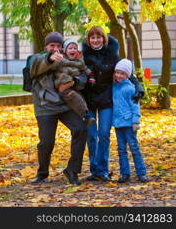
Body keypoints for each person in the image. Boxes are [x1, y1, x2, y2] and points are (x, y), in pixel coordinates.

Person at [82, 26, 144, 182]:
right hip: (88, 100)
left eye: (98, 37)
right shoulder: (83, 56)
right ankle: (94, 170)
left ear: (104, 38)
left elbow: (127, 73)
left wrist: (138, 87)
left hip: (106, 99)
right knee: (91, 135)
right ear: (89, 40)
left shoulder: (112, 55)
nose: (95, 40)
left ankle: (102, 170)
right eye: (92, 37)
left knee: (103, 133)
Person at [29, 32, 87, 185]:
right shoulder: (37, 58)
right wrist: (49, 58)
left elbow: (82, 77)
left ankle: (72, 170)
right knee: (47, 142)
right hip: (45, 107)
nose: (55, 49)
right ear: (46, 47)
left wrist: (74, 80)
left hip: (64, 106)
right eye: (52, 46)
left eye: (58, 46)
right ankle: (42, 173)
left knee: (81, 129)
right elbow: (36, 66)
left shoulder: (67, 59)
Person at [112, 58, 148, 183]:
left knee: (134, 148)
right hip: (118, 124)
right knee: (121, 149)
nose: (119, 75)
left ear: (127, 75)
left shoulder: (130, 89)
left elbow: (135, 106)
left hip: (129, 124)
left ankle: (141, 173)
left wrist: (136, 121)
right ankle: (124, 173)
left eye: (122, 73)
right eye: (117, 72)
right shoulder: (114, 87)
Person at [54, 38, 95, 127]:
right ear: (65, 51)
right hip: (64, 87)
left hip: (74, 86)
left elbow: (85, 69)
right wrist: (72, 74)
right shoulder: (62, 61)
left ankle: (85, 117)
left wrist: (91, 76)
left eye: (75, 48)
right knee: (76, 98)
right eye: (70, 48)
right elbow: (61, 71)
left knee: (82, 100)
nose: (73, 50)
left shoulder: (79, 61)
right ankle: (86, 116)